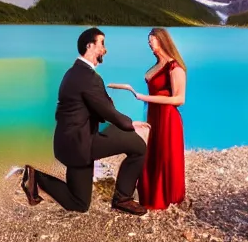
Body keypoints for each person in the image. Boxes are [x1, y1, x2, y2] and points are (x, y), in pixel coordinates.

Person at [20, 27, 150, 216]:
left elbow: (98, 109)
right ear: (90, 46)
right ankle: (123, 199)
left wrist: (119, 120)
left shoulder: (73, 72)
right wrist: (130, 124)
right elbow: (107, 111)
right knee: (138, 146)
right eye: (102, 44)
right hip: (81, 143)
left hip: (69, 144)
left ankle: (35, 178)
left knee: (80, 203)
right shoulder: (88, 77)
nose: (105, 49)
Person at [135, 27, 187, 210]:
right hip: (154, 116)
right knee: (150, 153)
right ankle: (148, 194)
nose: (150, 43)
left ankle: (165, 197)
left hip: (167, 118)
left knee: (163, 155)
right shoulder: (158, 64)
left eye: (152, 40)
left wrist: (144, 97)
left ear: (162, 40)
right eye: (149, 40)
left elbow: (179, 99)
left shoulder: (174, 67)